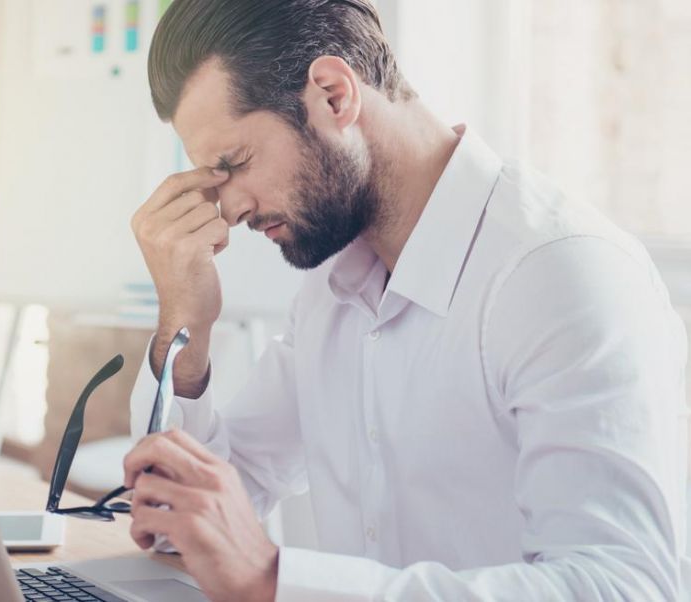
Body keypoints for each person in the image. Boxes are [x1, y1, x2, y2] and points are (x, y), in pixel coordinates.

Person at [123, 1, 689, 600]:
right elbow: (181, 526)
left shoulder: (559, 275)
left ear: (334, 95)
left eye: (233, 164)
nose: (229, 210)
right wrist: (185, 325)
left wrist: (272, 579)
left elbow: (624, 586)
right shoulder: (332, 288)